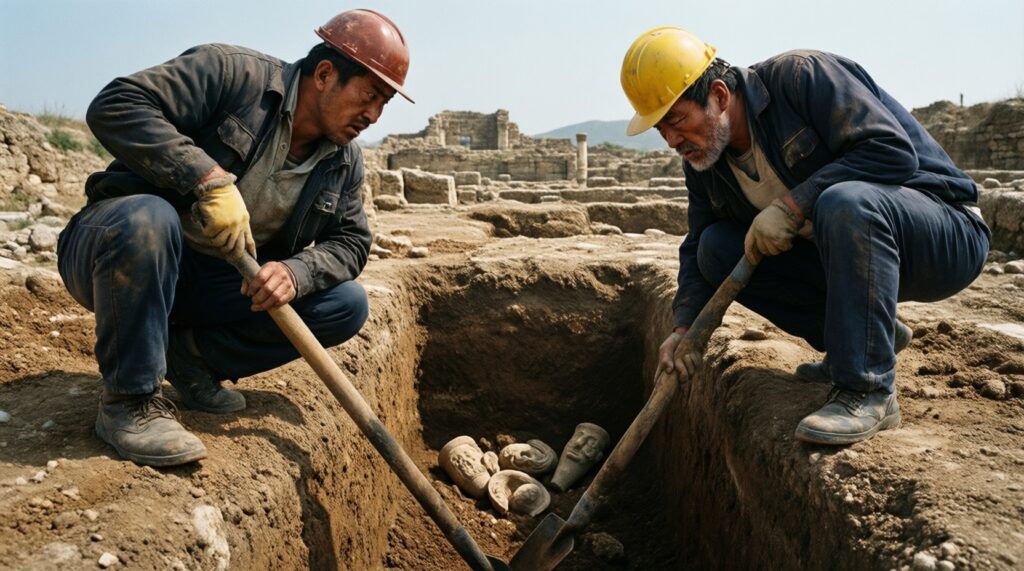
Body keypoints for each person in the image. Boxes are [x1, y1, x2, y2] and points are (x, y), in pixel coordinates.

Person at [56, 9, 414, 467]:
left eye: (384, 104)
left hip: (209, 286)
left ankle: (191, 358)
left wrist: (294, 271)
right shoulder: (232, 74)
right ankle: (130, 404)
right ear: (325, 74)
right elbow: (116, 104)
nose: (374, 115)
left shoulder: (343, 161)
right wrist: (204, 177)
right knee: (151, 217)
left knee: (345, 304)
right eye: (370, 95)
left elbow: (350, 242)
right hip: (118, 255)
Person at [620, 27, 989, 445]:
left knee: (843, 202)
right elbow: (697, 241)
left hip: (943, 233)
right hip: (853, 256)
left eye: (676, 119)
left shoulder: (801, 78)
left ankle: (867, 390)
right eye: (660, 129)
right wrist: (684, 327)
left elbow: (891, 151)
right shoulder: (707, 162)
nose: (671, 140)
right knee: (715, 249)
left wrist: (793, 205)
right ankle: (862, 337)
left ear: (720, 95)